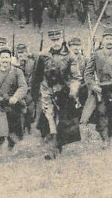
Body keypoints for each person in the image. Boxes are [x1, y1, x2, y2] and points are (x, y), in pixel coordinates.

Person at [29, 29, 82, 160]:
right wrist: (35, 94)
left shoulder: (70, 56)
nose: (55, 43)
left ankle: (58, 145)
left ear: (62, 39)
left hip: (64, 92)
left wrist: (73, 89)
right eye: (53, 40)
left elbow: (76, 77)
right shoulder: (43, 55)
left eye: (57, 39)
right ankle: (50, 150)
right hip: (47, 90)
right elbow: (36, 76)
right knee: (49, 119)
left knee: (63, 121)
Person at [80, 30, 112, 148]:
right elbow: (88, 74)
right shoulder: (96, 55)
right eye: (107, 39)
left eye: (111, 39)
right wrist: (93, 85)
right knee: (101, 112)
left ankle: (110, 135)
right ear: (102, 41)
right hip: (100, 90)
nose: (109, 41)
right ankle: (104, 139)